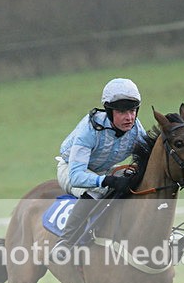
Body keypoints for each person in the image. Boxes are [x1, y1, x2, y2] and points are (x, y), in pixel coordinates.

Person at [52, 78, 146, 262]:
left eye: (133, 110)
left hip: (104, 171)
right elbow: (77, 176)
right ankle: (65, 241)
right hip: (71, 169)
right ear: (109, 111)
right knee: (98, 191)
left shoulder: (136, 129)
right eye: (121, 112)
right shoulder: (89, 129)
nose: (129, 117)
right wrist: (106, 181)